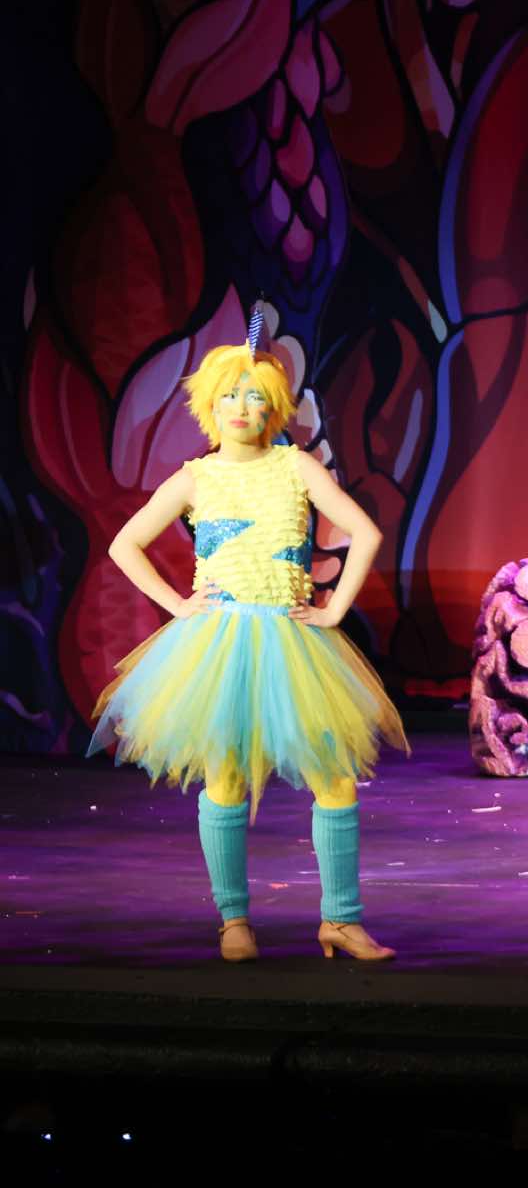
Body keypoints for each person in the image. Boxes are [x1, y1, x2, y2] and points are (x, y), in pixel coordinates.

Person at [89, 324, 407, 962]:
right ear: (209, 405)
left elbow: (365, 532)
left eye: (255, 395)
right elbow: (126, 544)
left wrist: (334, 609)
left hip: (293, 645)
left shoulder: (296, 467)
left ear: (274, 408)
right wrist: (179, 605)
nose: (241, 407)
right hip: (220, 645)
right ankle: (233, 920)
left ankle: (340, 920)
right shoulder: (195, 478)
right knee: (227, 777)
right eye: (229, 395)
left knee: (334, 779)